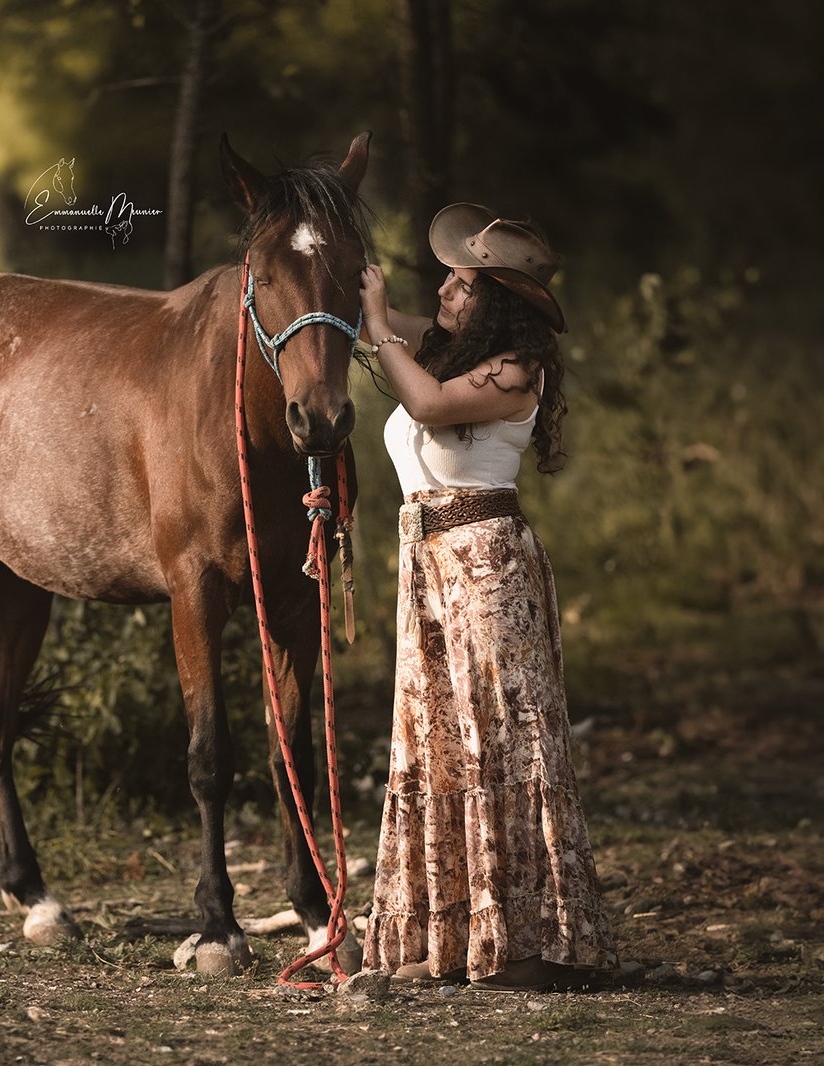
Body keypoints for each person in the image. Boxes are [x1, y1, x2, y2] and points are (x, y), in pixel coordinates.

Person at [357, 203, 617, 991]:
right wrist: (350, 295)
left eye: (460, 283)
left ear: (495, 300)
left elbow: (429, 405)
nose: (443, 289)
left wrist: (374, 320)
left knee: (495, 739)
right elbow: (395, 332)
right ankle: (459, 933)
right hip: (431, 566)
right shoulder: (450, 351)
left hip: (483, 567)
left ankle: (524, 941)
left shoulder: (511, 373)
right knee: (439, 740)